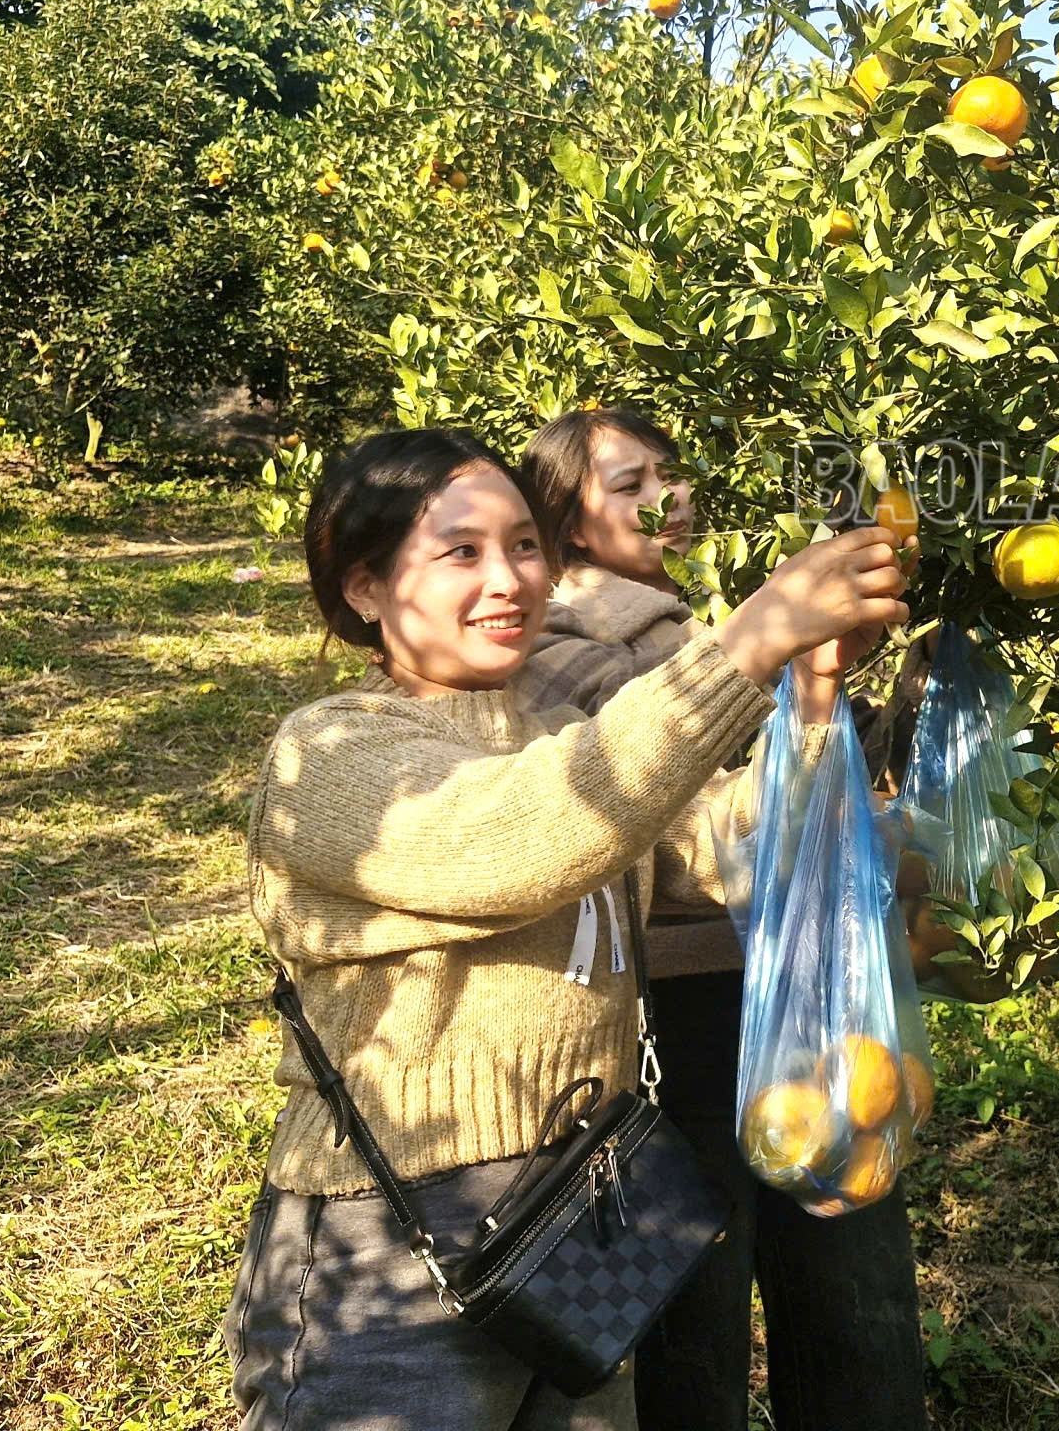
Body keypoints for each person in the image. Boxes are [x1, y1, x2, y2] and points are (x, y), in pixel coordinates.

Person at [226, 426, 909, 1431]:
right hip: (393, 1238)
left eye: (523, 547)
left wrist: (810, 691)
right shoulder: (330, 755)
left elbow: (734, 850)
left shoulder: (555, 740)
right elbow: (521, 836)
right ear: (365, 589)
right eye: (460, 552)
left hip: (581, 1217)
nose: (506, 579)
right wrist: (749, 641)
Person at [516, 405, 934, 1431]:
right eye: (629, 483)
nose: (669, 496)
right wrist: (788, 667)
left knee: (844, 1252)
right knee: (698, 1289)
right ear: (568, 522)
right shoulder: (561, 649)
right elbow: (686, 829)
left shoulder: (700, 617)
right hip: (685, 1004)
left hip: (792, 971)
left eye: (672, 472)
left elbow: (830, 768)